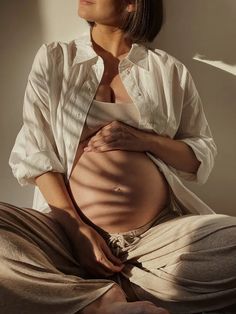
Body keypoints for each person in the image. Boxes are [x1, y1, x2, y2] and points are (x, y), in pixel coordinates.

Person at [1, 0, 235, 313]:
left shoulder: (167, 71)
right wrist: (77, 230)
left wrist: (143, 140)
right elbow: (36, 149)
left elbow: (200, 154)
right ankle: (100, 304)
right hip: (64, 237)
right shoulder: (56, 58)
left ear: (132, 4)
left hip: (156, 242)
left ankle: (115, 289)